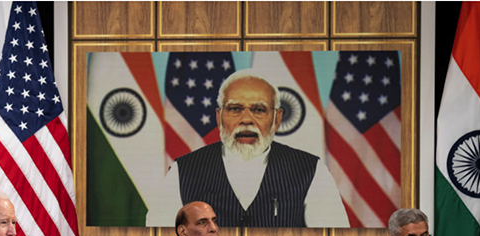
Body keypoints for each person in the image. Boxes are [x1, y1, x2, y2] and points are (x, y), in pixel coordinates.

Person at [146, 70, 348, 227]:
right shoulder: (183, 170)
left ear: (277, 118)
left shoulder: (311, 170)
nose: (246, 120)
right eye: (235, 109)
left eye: (258, 110)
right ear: (219, 117)